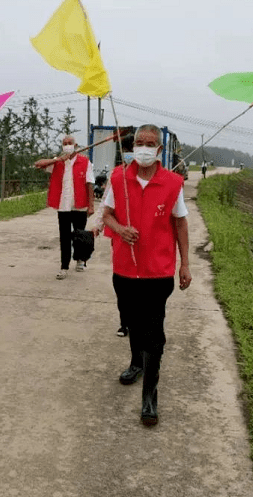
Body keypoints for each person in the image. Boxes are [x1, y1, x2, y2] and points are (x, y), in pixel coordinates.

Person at [102, 124, 192, 427]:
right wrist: (120, 230)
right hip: (124, 269)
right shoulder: (118, 178)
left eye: (149, 143)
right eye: (138, 142)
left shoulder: (172, 183)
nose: (143, 147)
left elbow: (180, 224)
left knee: (154, 333)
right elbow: (106, 215)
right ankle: (135, 362)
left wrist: (185, 263)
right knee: (131, 321)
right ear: (131, 146)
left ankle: (150, 398)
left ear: (159, 149)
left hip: (158, 272)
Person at [91, 132, 135, 338]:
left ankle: (138, 320)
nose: (131, 154)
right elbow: (105, 206)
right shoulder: (116, 175)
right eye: (127, 151)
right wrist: (98, 226)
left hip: (144, 236)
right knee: (122, 282)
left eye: (132, 150)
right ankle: (125, 322)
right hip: (119, 235)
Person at [34, 135, 95, 279]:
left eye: (70, 143)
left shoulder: (85, 162)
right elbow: (38, 164)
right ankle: (64, 266)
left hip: (80, 205)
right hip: (63, 206)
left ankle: (81, 260)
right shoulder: (57, 162)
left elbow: (90, 184)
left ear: (75, 145)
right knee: (64, 237)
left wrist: (91, 205)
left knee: (80, 235)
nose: (67, 145)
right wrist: (58, 160)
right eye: (64, 143)